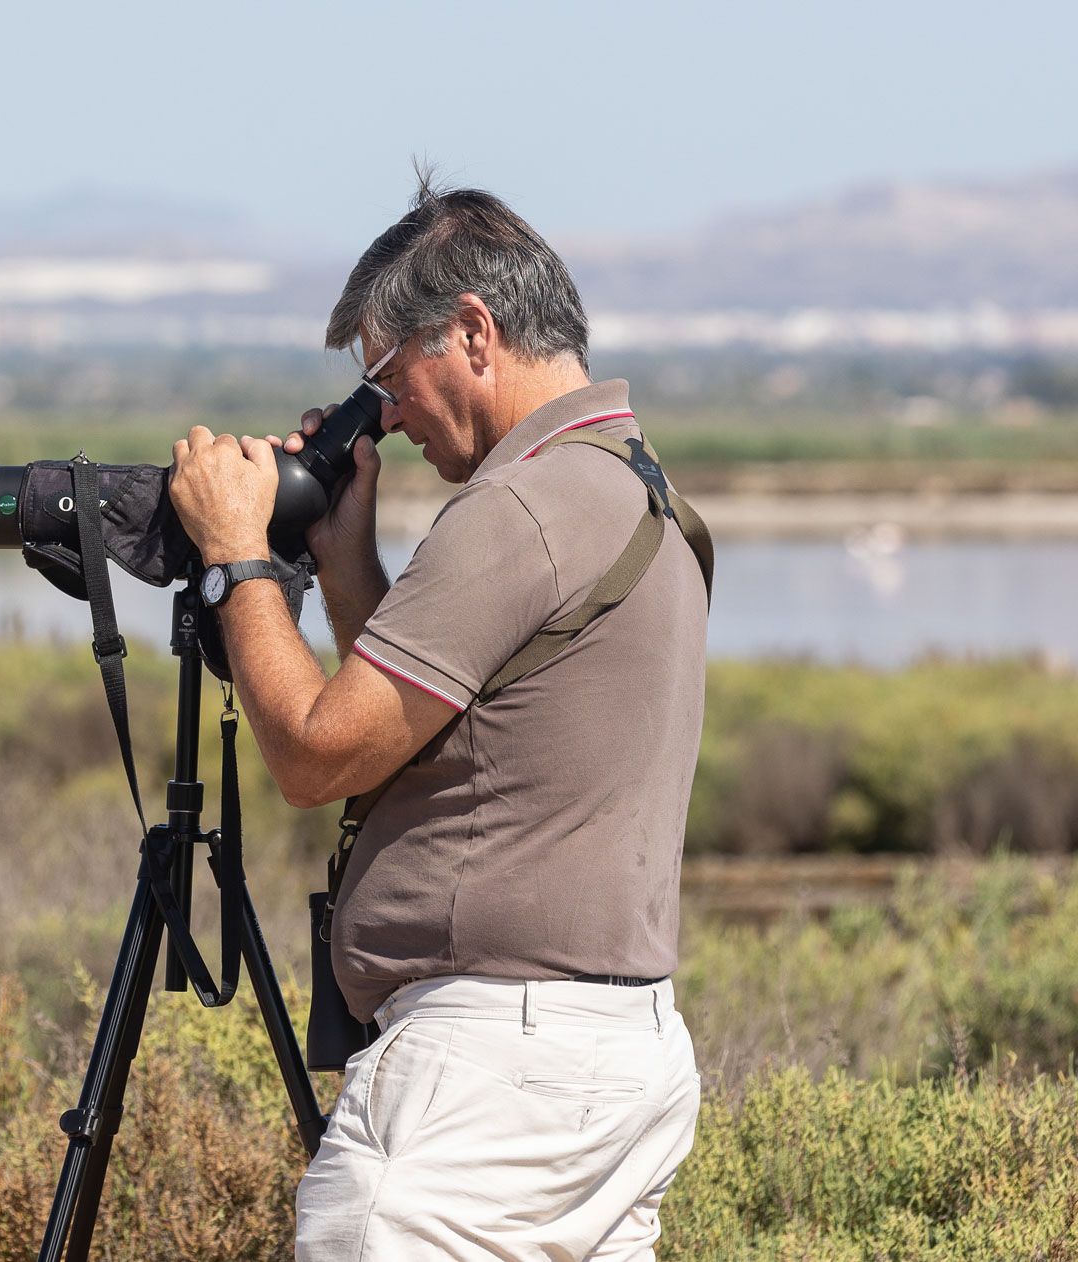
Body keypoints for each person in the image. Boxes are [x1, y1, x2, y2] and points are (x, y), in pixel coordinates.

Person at [166, 178, 710, 1260]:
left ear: (472, 330)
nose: (391, 414)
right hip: (616, 1061)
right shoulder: (638, 492)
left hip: (484, 1091)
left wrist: (236, 556)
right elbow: (429, 734)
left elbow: (320, 754)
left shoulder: (519, 508)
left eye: (385, 376)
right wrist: (346, 555)